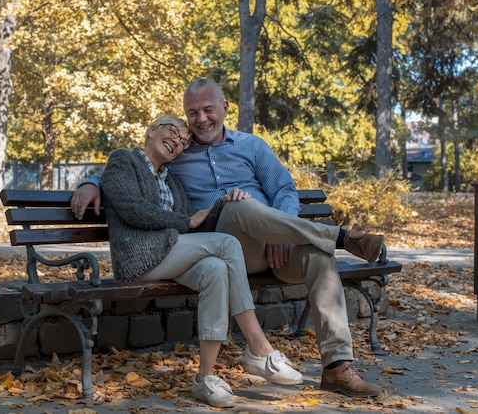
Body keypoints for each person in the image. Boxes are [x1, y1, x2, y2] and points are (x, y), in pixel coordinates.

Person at [72, 79, 386, 397]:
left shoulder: (252, 146)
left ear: (225, 108)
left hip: (275, 246)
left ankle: (337, 368)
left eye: (208, 109)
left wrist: (282, 230)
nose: (201, 119)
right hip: (223, 242)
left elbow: (285, 190)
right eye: (192, 112)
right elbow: (134, 166)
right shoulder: (179, 151)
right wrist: (91, 182)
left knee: (320, 258)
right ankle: (341, 236)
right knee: (237, 206)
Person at [99, 115, 302, 408]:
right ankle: (259, 348)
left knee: (215, 269)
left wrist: (224, 204)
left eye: (183, 142)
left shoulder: (172, 180)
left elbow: (196, 226)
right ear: (152, 129)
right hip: (138, 259)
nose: (178, 142)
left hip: (170, 254)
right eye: (173, 132)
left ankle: (204, 378)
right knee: (227, 244)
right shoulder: (123, 161)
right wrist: (183, 220)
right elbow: (133, 209)